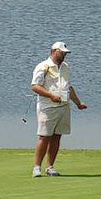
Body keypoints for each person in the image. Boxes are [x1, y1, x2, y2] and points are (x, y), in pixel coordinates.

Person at [30, 40, 87, 176]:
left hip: (64, 106)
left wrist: (78, 103)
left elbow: (68, 87)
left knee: (57, 136)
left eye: (65, 53)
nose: (64, 55)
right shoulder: (44, 66)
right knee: (44, 137)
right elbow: (35, 86)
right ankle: (37, 167)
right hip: (48, 107)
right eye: (62, 52)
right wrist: (50, 95)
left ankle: (50, 167)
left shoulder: (66, 67)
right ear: (54, 51)